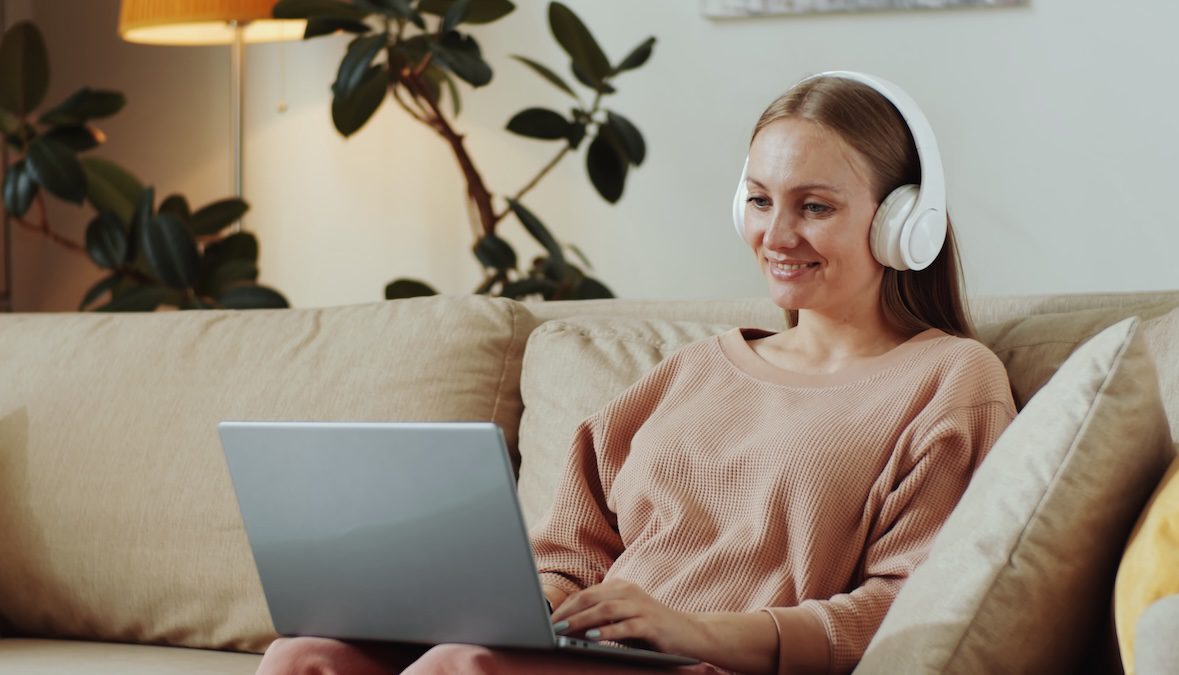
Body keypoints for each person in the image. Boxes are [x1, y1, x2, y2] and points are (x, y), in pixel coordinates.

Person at [255, 71, 1016, 675]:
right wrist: (531, 610)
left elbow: (912, 605)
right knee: (303, 655)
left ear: (902, 223)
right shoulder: (694, 369)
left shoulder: (951, 379)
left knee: (464, 668)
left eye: (814, 207)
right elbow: (570, 551)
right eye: (759, 201)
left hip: (709, 662)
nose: (777, 235)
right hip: (603, 653)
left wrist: (696, 630)